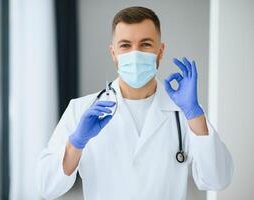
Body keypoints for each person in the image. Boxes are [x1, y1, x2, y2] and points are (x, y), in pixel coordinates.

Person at [36, 6, 233, 200]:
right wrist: (76, 143)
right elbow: (47, 186)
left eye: (145, 44)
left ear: (160, 51)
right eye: (125, 45)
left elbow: (217, 180)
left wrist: (194, 113)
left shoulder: (185, 112)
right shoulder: (80, 110)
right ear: (113, 53)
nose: (135, 53)